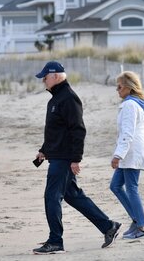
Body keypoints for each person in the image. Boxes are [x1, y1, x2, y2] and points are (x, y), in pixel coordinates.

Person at [33, 61, 121, 255]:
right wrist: (44, 150)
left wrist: (75, 159)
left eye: (45, 78)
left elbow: (78, 130)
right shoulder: (56, 99)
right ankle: (108, 227)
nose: (43, 82)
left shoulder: (69, 98)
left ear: (55, 76)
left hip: (64, 159)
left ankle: (56, 241)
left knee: (51, 197)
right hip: (56, 156)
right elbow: (56, 131)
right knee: (74, 197)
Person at [109, 71, 144, 240]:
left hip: (131, 153)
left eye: (119, 86)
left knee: (131, 188)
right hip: (131, 153)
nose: (117, 90)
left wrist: (118, 155)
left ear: (127, 87)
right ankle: (137, 221)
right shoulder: (135, 103)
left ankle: (142, 227)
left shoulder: (130, 105)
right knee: (115, 186)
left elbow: (128, 133)